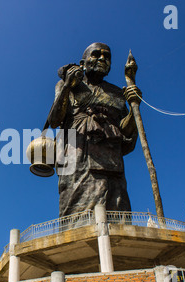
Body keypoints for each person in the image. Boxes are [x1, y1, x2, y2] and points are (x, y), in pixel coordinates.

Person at [47, 42, 142, 217]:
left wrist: (133, 106)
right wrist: (67, 85)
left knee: (117, 210)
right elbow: (55, 120)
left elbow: (126, 136)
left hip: (111, 160)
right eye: (96, 54)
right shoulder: (66, 85)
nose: (102, 59)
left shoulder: (117, 93)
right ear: (82, 64)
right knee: (76, 208)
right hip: (77, 153)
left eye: (107, 57)